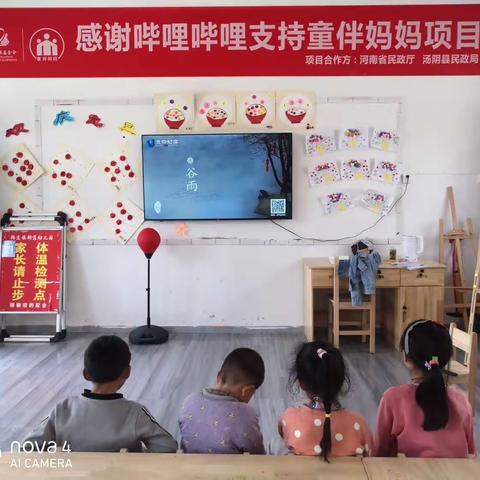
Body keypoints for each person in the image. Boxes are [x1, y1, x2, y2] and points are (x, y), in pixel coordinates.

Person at [24, 335, 177, 453]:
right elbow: (168, 446)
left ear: (86, 374)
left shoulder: (62, 410)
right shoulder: (136, 413)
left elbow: (28, 447)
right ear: (127, 372)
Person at [374, 320, 475, 457]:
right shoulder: (462, 402)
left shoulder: (393, 399)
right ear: (447, 358)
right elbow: (470, 457)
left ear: (406, 358)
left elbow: (379, 455)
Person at [280, 341, 372, 461]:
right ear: (340, 381)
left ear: (301, 383)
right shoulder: (359, 424)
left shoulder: (289, 418)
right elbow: (370, 459)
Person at [179, 347, 265, 454]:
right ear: (247, 390)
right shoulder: (246, 415)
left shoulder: (189, 401)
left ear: (218, 376)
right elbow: (257, 454)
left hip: (189, 467)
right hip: (228, 470)